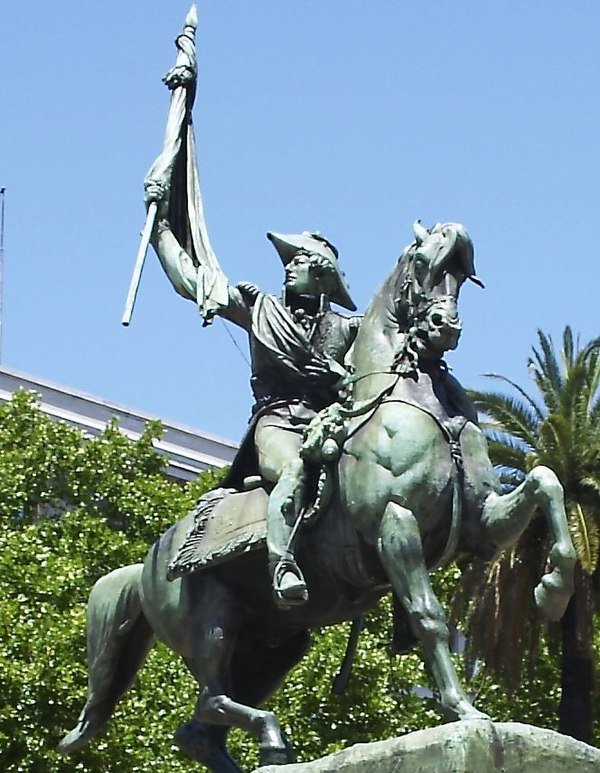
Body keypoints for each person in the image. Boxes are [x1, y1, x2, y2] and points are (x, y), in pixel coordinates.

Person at [146, 185, 359, 608]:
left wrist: (334, 374)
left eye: (298, 260)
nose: (287, 267)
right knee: (295, 470)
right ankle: (283, 566)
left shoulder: (348, 330)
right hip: (277, 423)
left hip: (329, 426)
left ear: (322, 273)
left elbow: (360, 385)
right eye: (288, 260)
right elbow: (193, 280)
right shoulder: (260, 309)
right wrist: (161, 230)